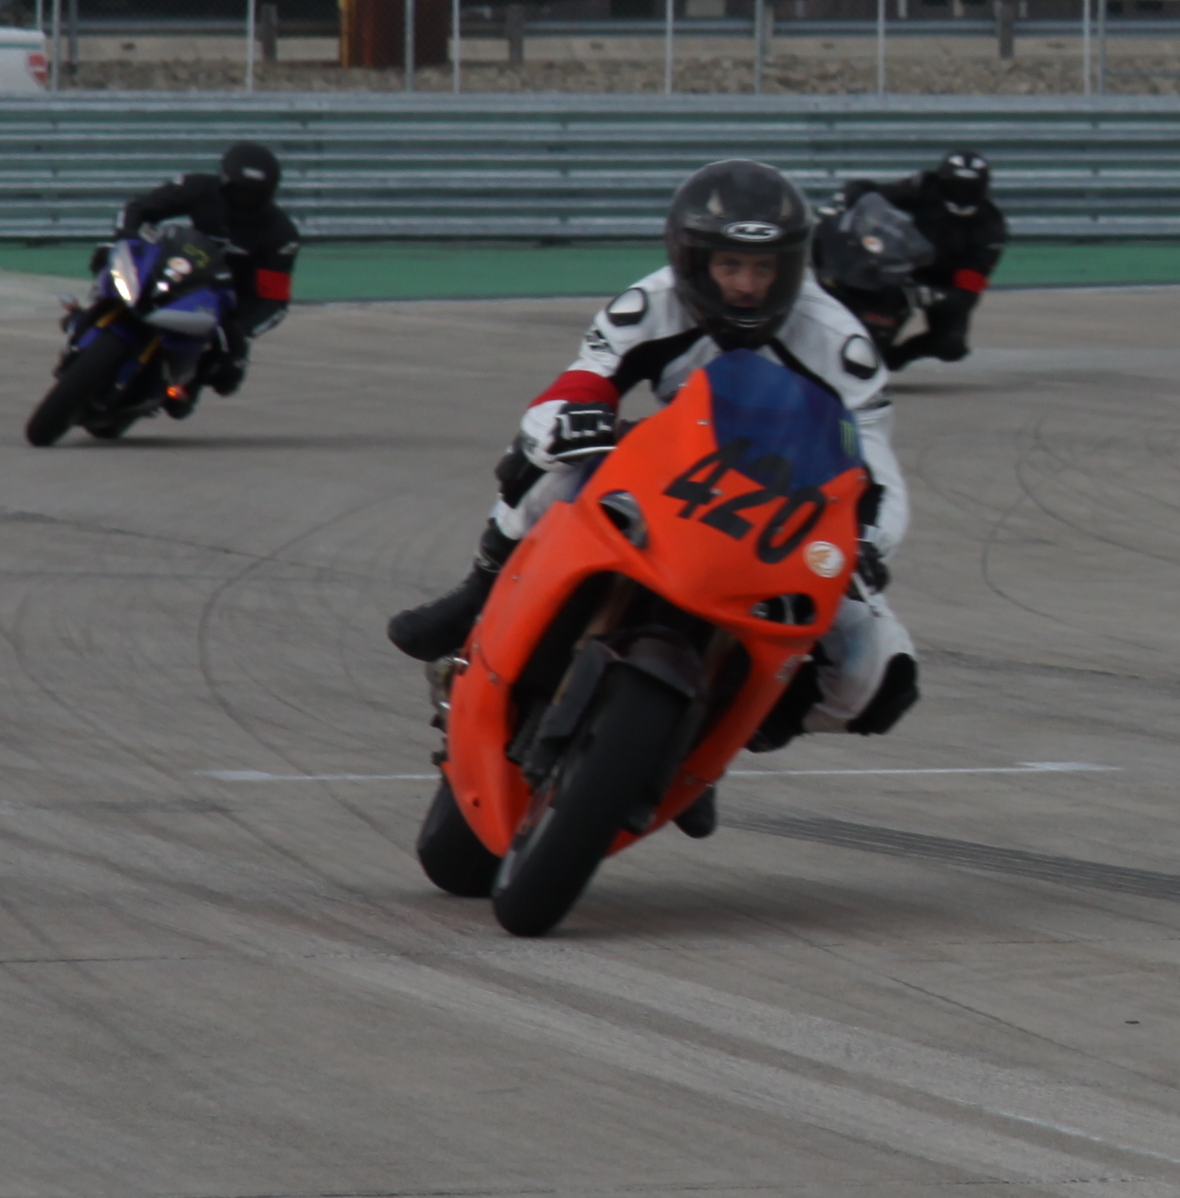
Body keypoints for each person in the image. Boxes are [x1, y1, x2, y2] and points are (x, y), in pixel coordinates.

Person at [381, 161, 921, 759]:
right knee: (545, 459)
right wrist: (565, 421)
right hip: (674, 465)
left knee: (883, 672)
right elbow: (583, 381)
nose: (747, 286)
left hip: (785, 507)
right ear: (693, 261)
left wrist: (867, 543)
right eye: (730, 265)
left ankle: (720, 734)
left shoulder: (840, 345)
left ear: (791, 267)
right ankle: (478, 592)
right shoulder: (650, 305)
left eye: (764, 268)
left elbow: (877, 466)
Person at [118, 141, 298, 392]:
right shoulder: (199, 188)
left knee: (227, 374)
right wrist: (125, 238)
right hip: (180, 268)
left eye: (255, 195)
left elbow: (274, 300)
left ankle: (181, 388)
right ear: (224, 180)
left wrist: (242, 330)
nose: (245, 200)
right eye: (239, 191)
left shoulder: (281, 234)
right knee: (117, 266)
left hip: (223, 303)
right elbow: (139, 208)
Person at [869, 149, 1007, 363]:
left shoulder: (990, 228)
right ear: (942, 182)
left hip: (944, 282)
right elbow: (876, 195)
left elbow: (968, 292)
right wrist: (848, 197)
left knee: (951, 344)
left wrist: (935, 296)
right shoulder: (923, 186)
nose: (962, 193)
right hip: (900, 263)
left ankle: (895, 358)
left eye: (970, 188)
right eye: (956, 186)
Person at [812, 186, 938, 359]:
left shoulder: (878, 224)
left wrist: (908, 257)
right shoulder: (828, 227)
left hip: (866, 282)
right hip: (837, 283)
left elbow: (902, 238)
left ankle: (887, 356)